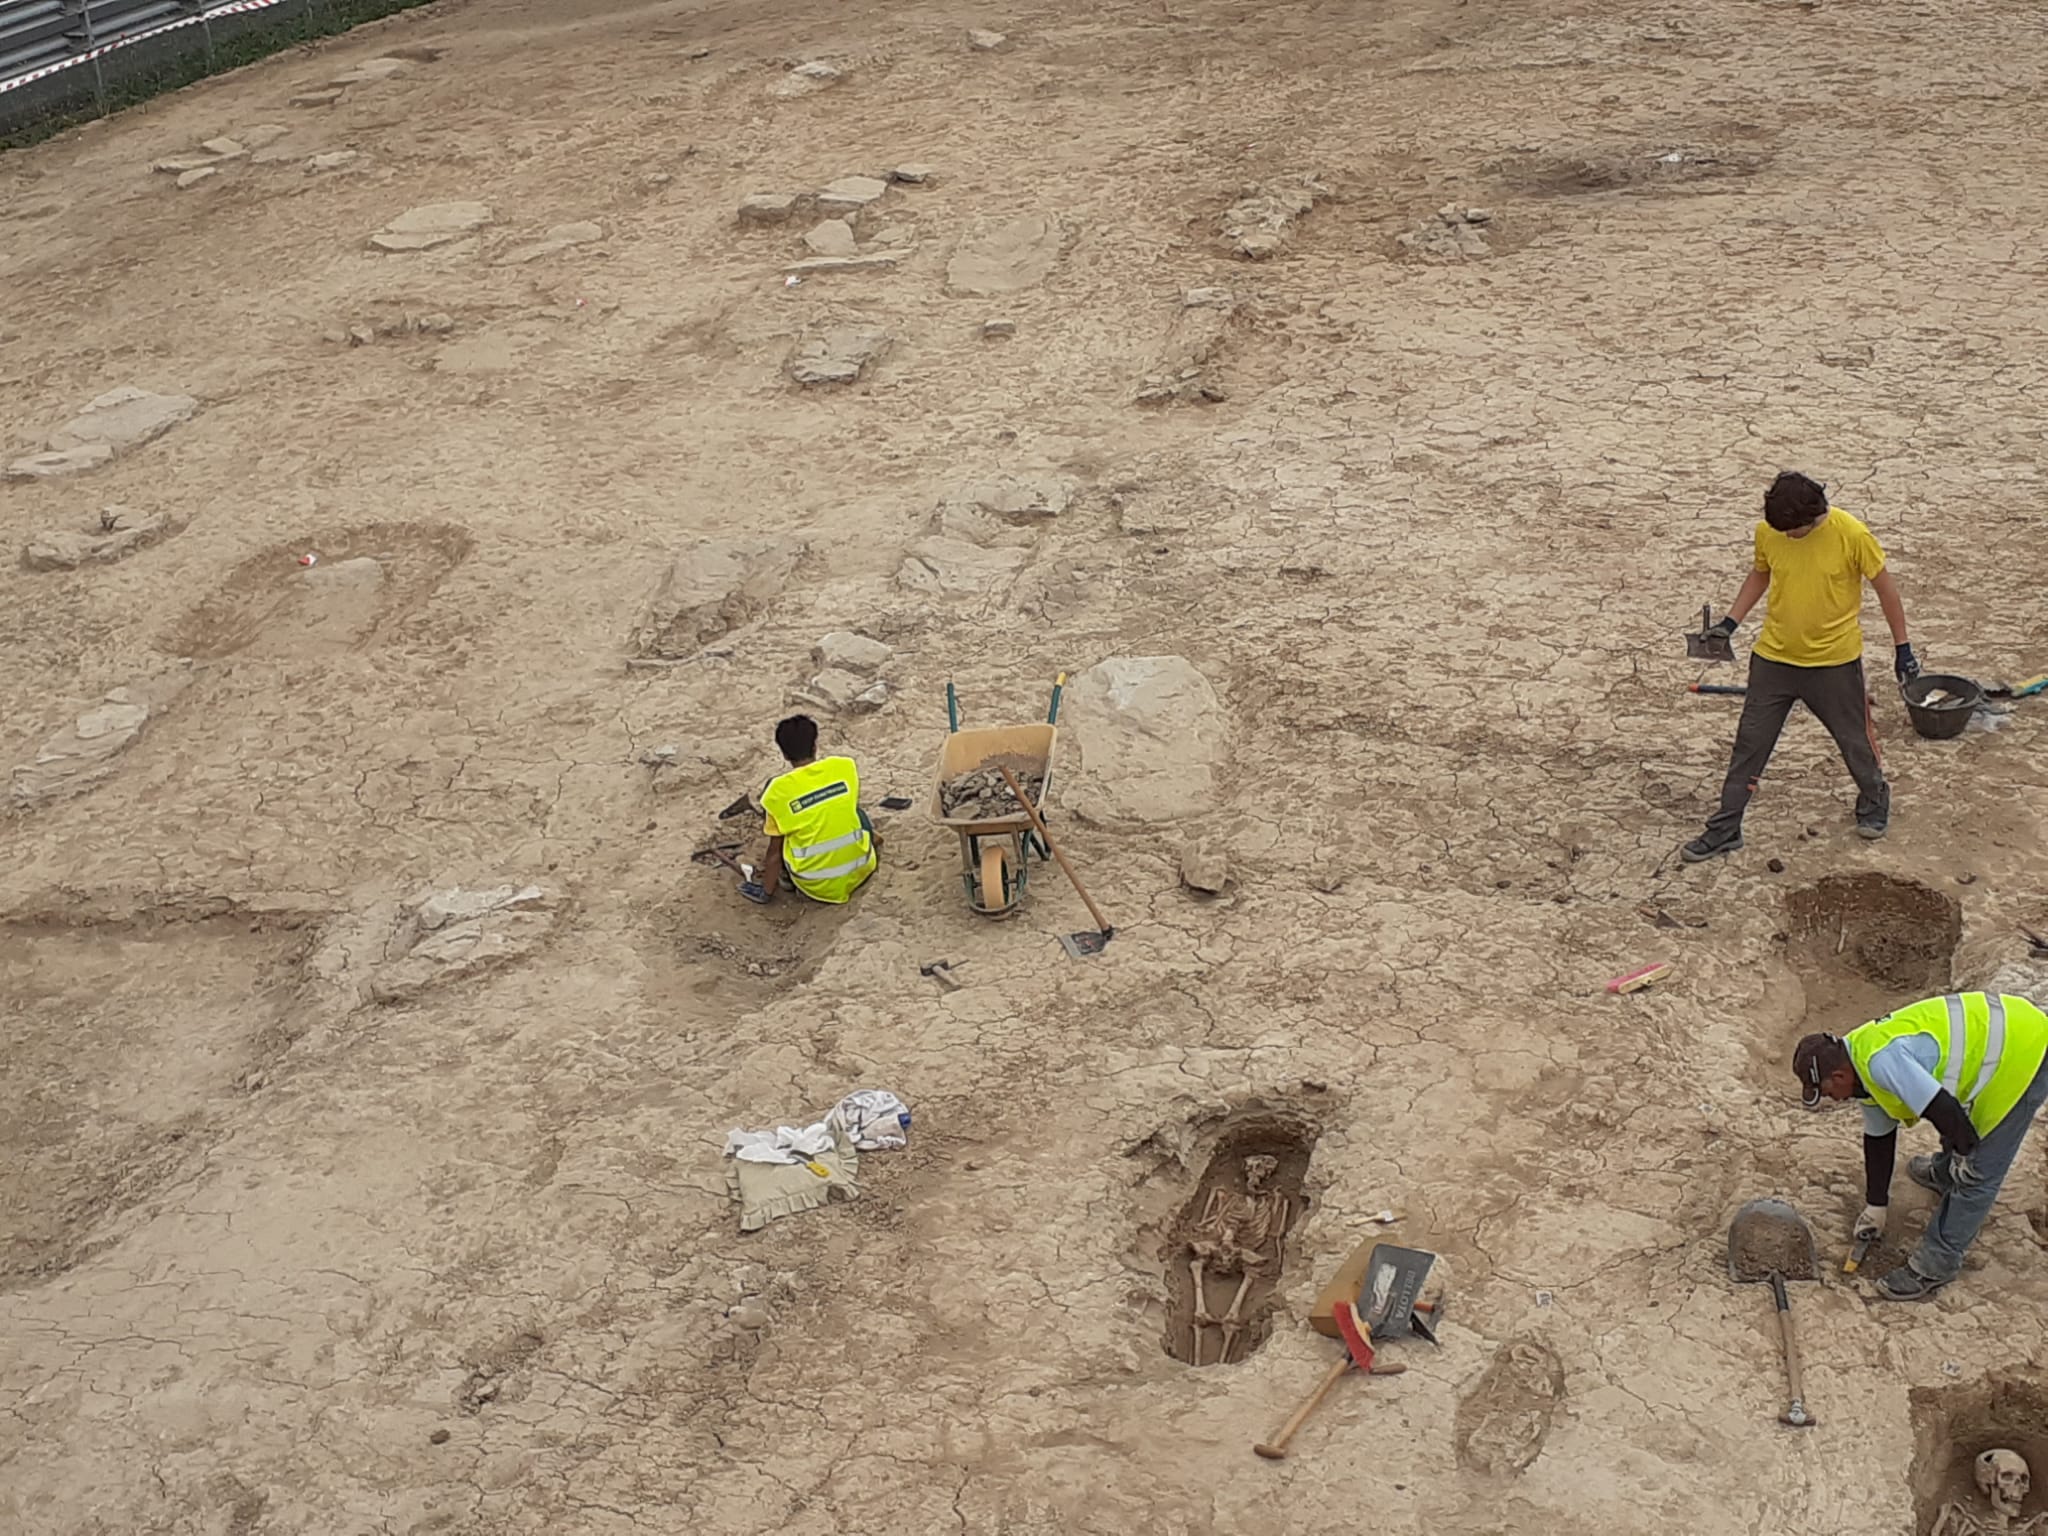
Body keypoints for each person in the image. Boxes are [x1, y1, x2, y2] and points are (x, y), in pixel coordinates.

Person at [1683, 471, 1919, 862]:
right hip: (1773, 660)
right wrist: (1729, 623)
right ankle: (1725, 827)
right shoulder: (1771, 530)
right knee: (1749, 745)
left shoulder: (1852, 535)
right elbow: (1761, 572)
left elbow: (1887, 592)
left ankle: (1875, 799)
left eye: (1794, 530)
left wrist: (1903, 649)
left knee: (1854, 741)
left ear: (1813, 516)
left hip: (1834, 664)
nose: (1787, 536)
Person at [1793, 991, 2048, 1300]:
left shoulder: (1880, 1061)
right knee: (1954, 1123)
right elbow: (1879, 1139)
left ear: (1839, 1075)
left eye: (1826, 1090)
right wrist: (1876, 1206)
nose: (1831, 1098)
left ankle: (1936, 1264)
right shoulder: (1857, 1066)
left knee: (1977, 1174)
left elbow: (1942, 1109)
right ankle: (1944, 1173)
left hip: (2023, 1049)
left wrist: (1966, 1154)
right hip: (1997, 1037)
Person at [741, 714, 877, 905]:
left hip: (816, 885)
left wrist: (765, 892)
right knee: (856, 813)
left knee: (786, 834)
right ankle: (874, 843)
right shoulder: (845, 767)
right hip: (862, 868)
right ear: (815, 746)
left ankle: (786, 880)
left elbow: (774, 854)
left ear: (784, 754)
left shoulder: (776, 792)